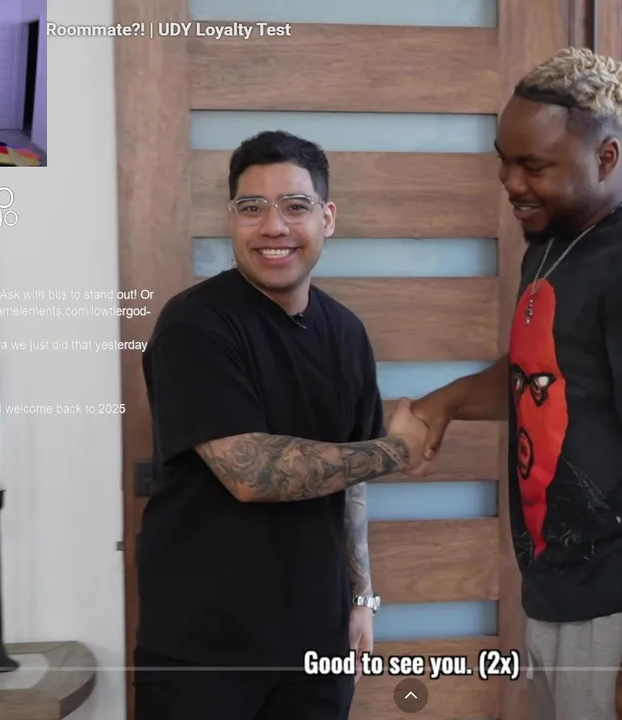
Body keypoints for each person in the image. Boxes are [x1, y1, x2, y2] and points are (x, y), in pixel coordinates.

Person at [412, 48, 622, 720]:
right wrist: (448, 402)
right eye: (505, 160)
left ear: (607, 157)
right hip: (567, 589)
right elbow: (550, 371)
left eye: (534, 166)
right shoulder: (556, 241)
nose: (511, 182)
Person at [135, 130, 432, 720]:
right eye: (252, 208)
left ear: (327, 218)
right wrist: (397, 450)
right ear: (232, 219)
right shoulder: (195, 325)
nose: (274, 227)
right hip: (202, 647)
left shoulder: (347, 333)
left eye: (295, 206)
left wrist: (362, 598)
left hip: (316, 643)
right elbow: (251, 472)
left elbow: (350, 483)